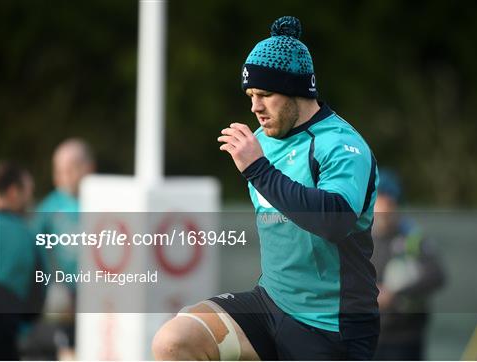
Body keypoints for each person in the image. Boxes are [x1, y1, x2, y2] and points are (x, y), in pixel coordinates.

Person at [153, 16, 380, 360]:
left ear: (297, 91)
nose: (255, 107)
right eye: (250, 95)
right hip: (269, 304)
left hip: (332, 326)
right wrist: (258, 166)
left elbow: (335, 221)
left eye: (265, 95)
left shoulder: (341, 145)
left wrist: (258, 170)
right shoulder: (261, 142)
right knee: (175, 340)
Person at [29, 138, 95, 359]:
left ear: (88, 168)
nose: (61, 176)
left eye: (69, 169)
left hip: (102, 293)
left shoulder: (105, 201)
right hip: (67, 295)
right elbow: (34, 249)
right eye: (58, 169)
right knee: (69, 348)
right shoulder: (50, 207)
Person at [371, 169, 445, 360]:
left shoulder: (411, 238)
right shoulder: (360, 238)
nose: (382, 206)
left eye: (387, 199)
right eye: (378, 198)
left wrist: (394, 292)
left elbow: (436, 275)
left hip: (404, 339)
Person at [0, 161, 45, 360]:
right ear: (14, 192)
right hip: (4, 335)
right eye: (28, 193)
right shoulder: (28, 237)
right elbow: (36, 300)